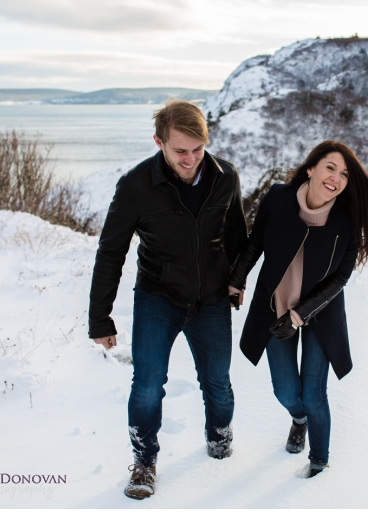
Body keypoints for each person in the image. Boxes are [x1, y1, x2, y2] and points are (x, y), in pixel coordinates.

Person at [88, 99, 246, 500]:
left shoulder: (226, 177)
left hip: (210, 298)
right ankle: (144, 462)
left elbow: (237, 238)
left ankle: (219, 436)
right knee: (146, 384)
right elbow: (111, 251)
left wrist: (236, 280)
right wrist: (100, 319)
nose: (191, 159)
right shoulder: (136, 185)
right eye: (180, 151)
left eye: (198, 149)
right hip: (158, 296)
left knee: (218, 384)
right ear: (159, 142)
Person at [228, 140, 368, 478]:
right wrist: (236, 280)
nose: (335, 178)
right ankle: (298, 419)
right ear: (311, 168)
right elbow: (255, 243)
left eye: (344, 175)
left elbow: (340, 278)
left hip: (320, 314)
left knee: (314, 394)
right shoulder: (278, 198)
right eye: (330, 168)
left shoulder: (347, 220)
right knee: (286, 391)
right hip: (275, 308)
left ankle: (319, 461)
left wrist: (299, 315)